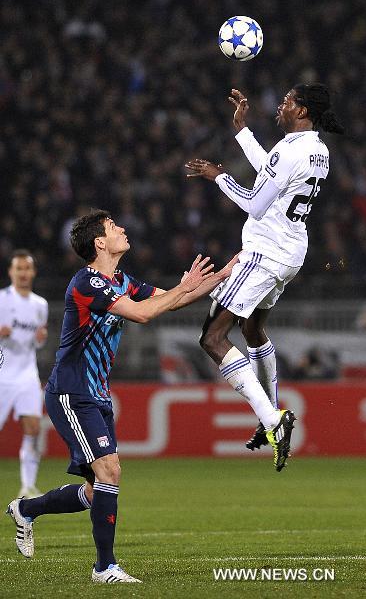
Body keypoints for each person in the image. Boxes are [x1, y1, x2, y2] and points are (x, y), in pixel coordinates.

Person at [7, 209, 237, 584]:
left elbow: (169, 301)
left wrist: (224, 275)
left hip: (95, 395)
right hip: (71, 392)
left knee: (97, 488)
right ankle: (104, 568)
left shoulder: (120, 280)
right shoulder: (88, 284)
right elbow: (143, 314)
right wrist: (185, 287)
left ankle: (26, 509)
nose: (122, 229)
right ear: (100, 242)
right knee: (110, 471)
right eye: (114, 227)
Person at [185, 84, 344, 471]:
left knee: (212, 337)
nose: (281, 104)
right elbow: (271, 171)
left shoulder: (292, 150)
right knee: (253, 332)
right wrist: (242, 131)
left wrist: (218, 175)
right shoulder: (315, 149)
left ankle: (274, 420)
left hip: (265, 250)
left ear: (302, 109)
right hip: (290, 252)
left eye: (289, 100)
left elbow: (255, 204)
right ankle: (270, 415)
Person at [0, 250, 48, 498]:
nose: (23, 273)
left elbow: (36, 342)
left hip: (27, 374)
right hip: (2, 374)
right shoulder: (1, 300)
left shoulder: (41, 305)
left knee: (32, 428)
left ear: (33, 272)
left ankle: (28, 486)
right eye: (18, 268)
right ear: (11, 272)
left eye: (27, 268)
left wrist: (40, 340)